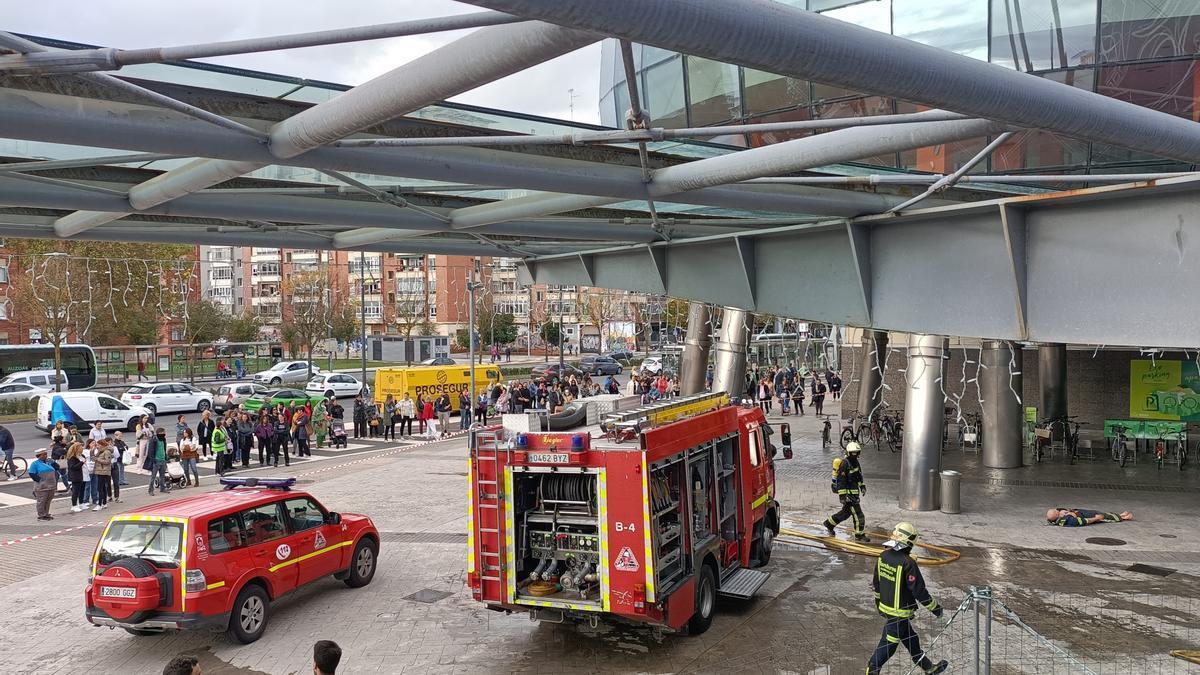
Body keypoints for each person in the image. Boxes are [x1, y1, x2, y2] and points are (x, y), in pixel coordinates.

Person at [867, 522, 948, 675]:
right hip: (899, 613)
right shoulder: (908, 563)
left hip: (887, 608)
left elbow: (876, 583)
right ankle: (872, 670)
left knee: (912, 640)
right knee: (888, 646)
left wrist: (879, 603)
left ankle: (929, 668)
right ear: (908, 544)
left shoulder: (883, 556)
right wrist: (935, 608)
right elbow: (918, 591)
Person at [825, 442, 868, 542]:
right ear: (849, 453)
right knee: (859, 515)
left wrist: (862, 486)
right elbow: (841, 481)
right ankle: (859, 535)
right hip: (849, 496)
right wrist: (843, 497)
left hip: (854, 494)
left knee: (845, 513)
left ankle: (829, 524)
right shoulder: (844, 464)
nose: (855, 455)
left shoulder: (856, 462)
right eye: (853, 453)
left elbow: (859, 476)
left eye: (857, 453)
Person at [29, 448, 57, 520]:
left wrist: (53, 462)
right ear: (38, 456)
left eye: (46, 454)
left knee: (48, 500)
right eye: (43, 454)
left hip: (51, 485)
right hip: (42, 487)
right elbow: (32, 473)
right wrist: (41, 481)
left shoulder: (49, 462)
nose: (45, 456)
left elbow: (57, 467)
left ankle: (46, 513)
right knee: (41, 501)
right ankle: (41, 515)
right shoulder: (35, 464)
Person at [1046, 508, 1133, 527]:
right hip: (1087, 516)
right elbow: (1083, 521)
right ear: (1057, 516)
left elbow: (1063, 509)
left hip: (1082, 512)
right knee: (1104, 517)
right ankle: (1123, 518)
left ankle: (1120, 515)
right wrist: (1096, 519)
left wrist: (1066, 511)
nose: (1058, 510)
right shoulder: (1065, 520)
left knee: (1102, 513)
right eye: (1057, 512)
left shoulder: (1060, 514)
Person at [147, 428, 171, 496]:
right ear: (159, 433)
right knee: (153, 476)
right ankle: (150, 490)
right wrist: (153, 460)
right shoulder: (153, 440)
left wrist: (166, 457)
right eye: (163, 432)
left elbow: (164, 448)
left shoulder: (163, 439)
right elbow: (150, 451)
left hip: (163, 460)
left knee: (162, 476)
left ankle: (162, 488)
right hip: (156, 460)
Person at [91, 441, 112, 511]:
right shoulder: (100, 451)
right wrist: (93, 451)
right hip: (99, 471)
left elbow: (108, 461)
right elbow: (93, 457)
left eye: (98, 445)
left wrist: (97, 459)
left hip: (103, 471)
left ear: (102, 445)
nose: (97, 446)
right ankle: (104, 503)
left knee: (100, 488)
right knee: (102, 488)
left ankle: (100, 504)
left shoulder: (107, 452)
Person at [67, 443, 87, 512]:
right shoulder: (72, 458)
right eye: (80, 448)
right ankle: (74, 505)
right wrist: (81, 462)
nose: (82, 450)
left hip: (83, 475)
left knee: (82, 490)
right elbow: (73, 467)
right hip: (75, 477)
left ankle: (81, 503)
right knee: (75, 492)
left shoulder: (82, 456)